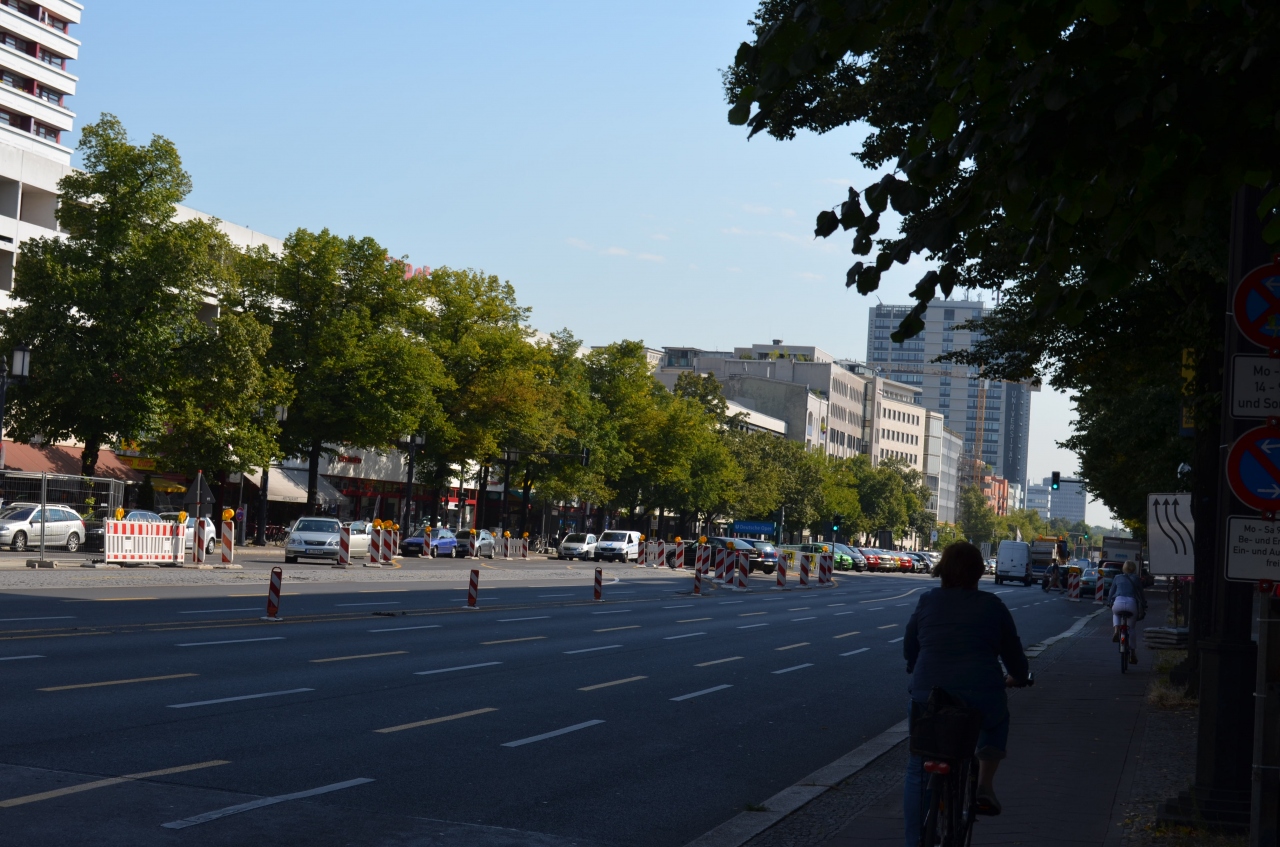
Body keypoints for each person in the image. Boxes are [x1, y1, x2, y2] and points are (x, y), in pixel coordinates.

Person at [904, 541, 1030, 844]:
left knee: (918, 766)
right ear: (979, 572)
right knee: (996, 722)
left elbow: (910, 646)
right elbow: (1013, 654)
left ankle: (913, 841)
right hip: (981, 692)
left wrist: (916, 668)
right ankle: (984, 785)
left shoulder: (927, 600)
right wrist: (1018, 677)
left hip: (929, 694)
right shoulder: (993, 605)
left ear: (942, 570)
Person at [1108, 560, 1147, 661]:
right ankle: (1133, 653)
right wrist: (1144, 604)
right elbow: (1141, 593)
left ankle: (1116, 630)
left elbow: (1111, 592)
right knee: (1131, 629)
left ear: (1123, 568)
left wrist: (1109, 602)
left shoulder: (1117, 577)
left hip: (1118, 602)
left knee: (1115, 613)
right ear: (1134, 569)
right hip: (1131, 604)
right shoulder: (1136, 579)